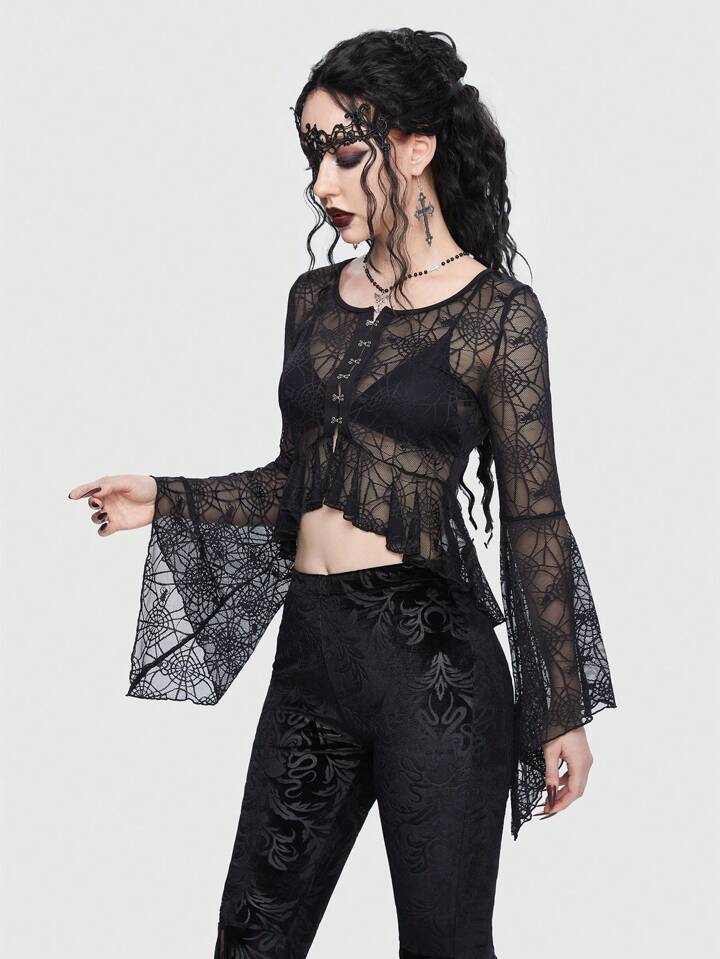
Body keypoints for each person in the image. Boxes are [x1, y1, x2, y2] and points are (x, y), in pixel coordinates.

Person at [68, 28, 617, 959]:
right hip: (313, 656)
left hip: (434, 672)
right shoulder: (313, 298)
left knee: (444, 947)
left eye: (345, 153)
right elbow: (298, 481)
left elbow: (534, 517)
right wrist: (162, 496)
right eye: (312, 154)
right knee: (252, 939)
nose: (323, 182)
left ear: (416, 146)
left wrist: (559, 703)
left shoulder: (500, 316)